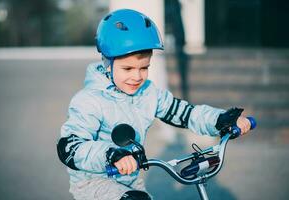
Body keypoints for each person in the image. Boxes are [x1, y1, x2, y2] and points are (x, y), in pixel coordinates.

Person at [57, 9, 251, 200]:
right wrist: (111, 155)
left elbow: (185, 113)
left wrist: (221, 119)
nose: (137, 76)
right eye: (128, 68)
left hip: (130, 181)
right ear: (108, 64)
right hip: (95, 183)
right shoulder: (89, 101)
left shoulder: (148, 93)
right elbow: (70, 147)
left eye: (144, 68)